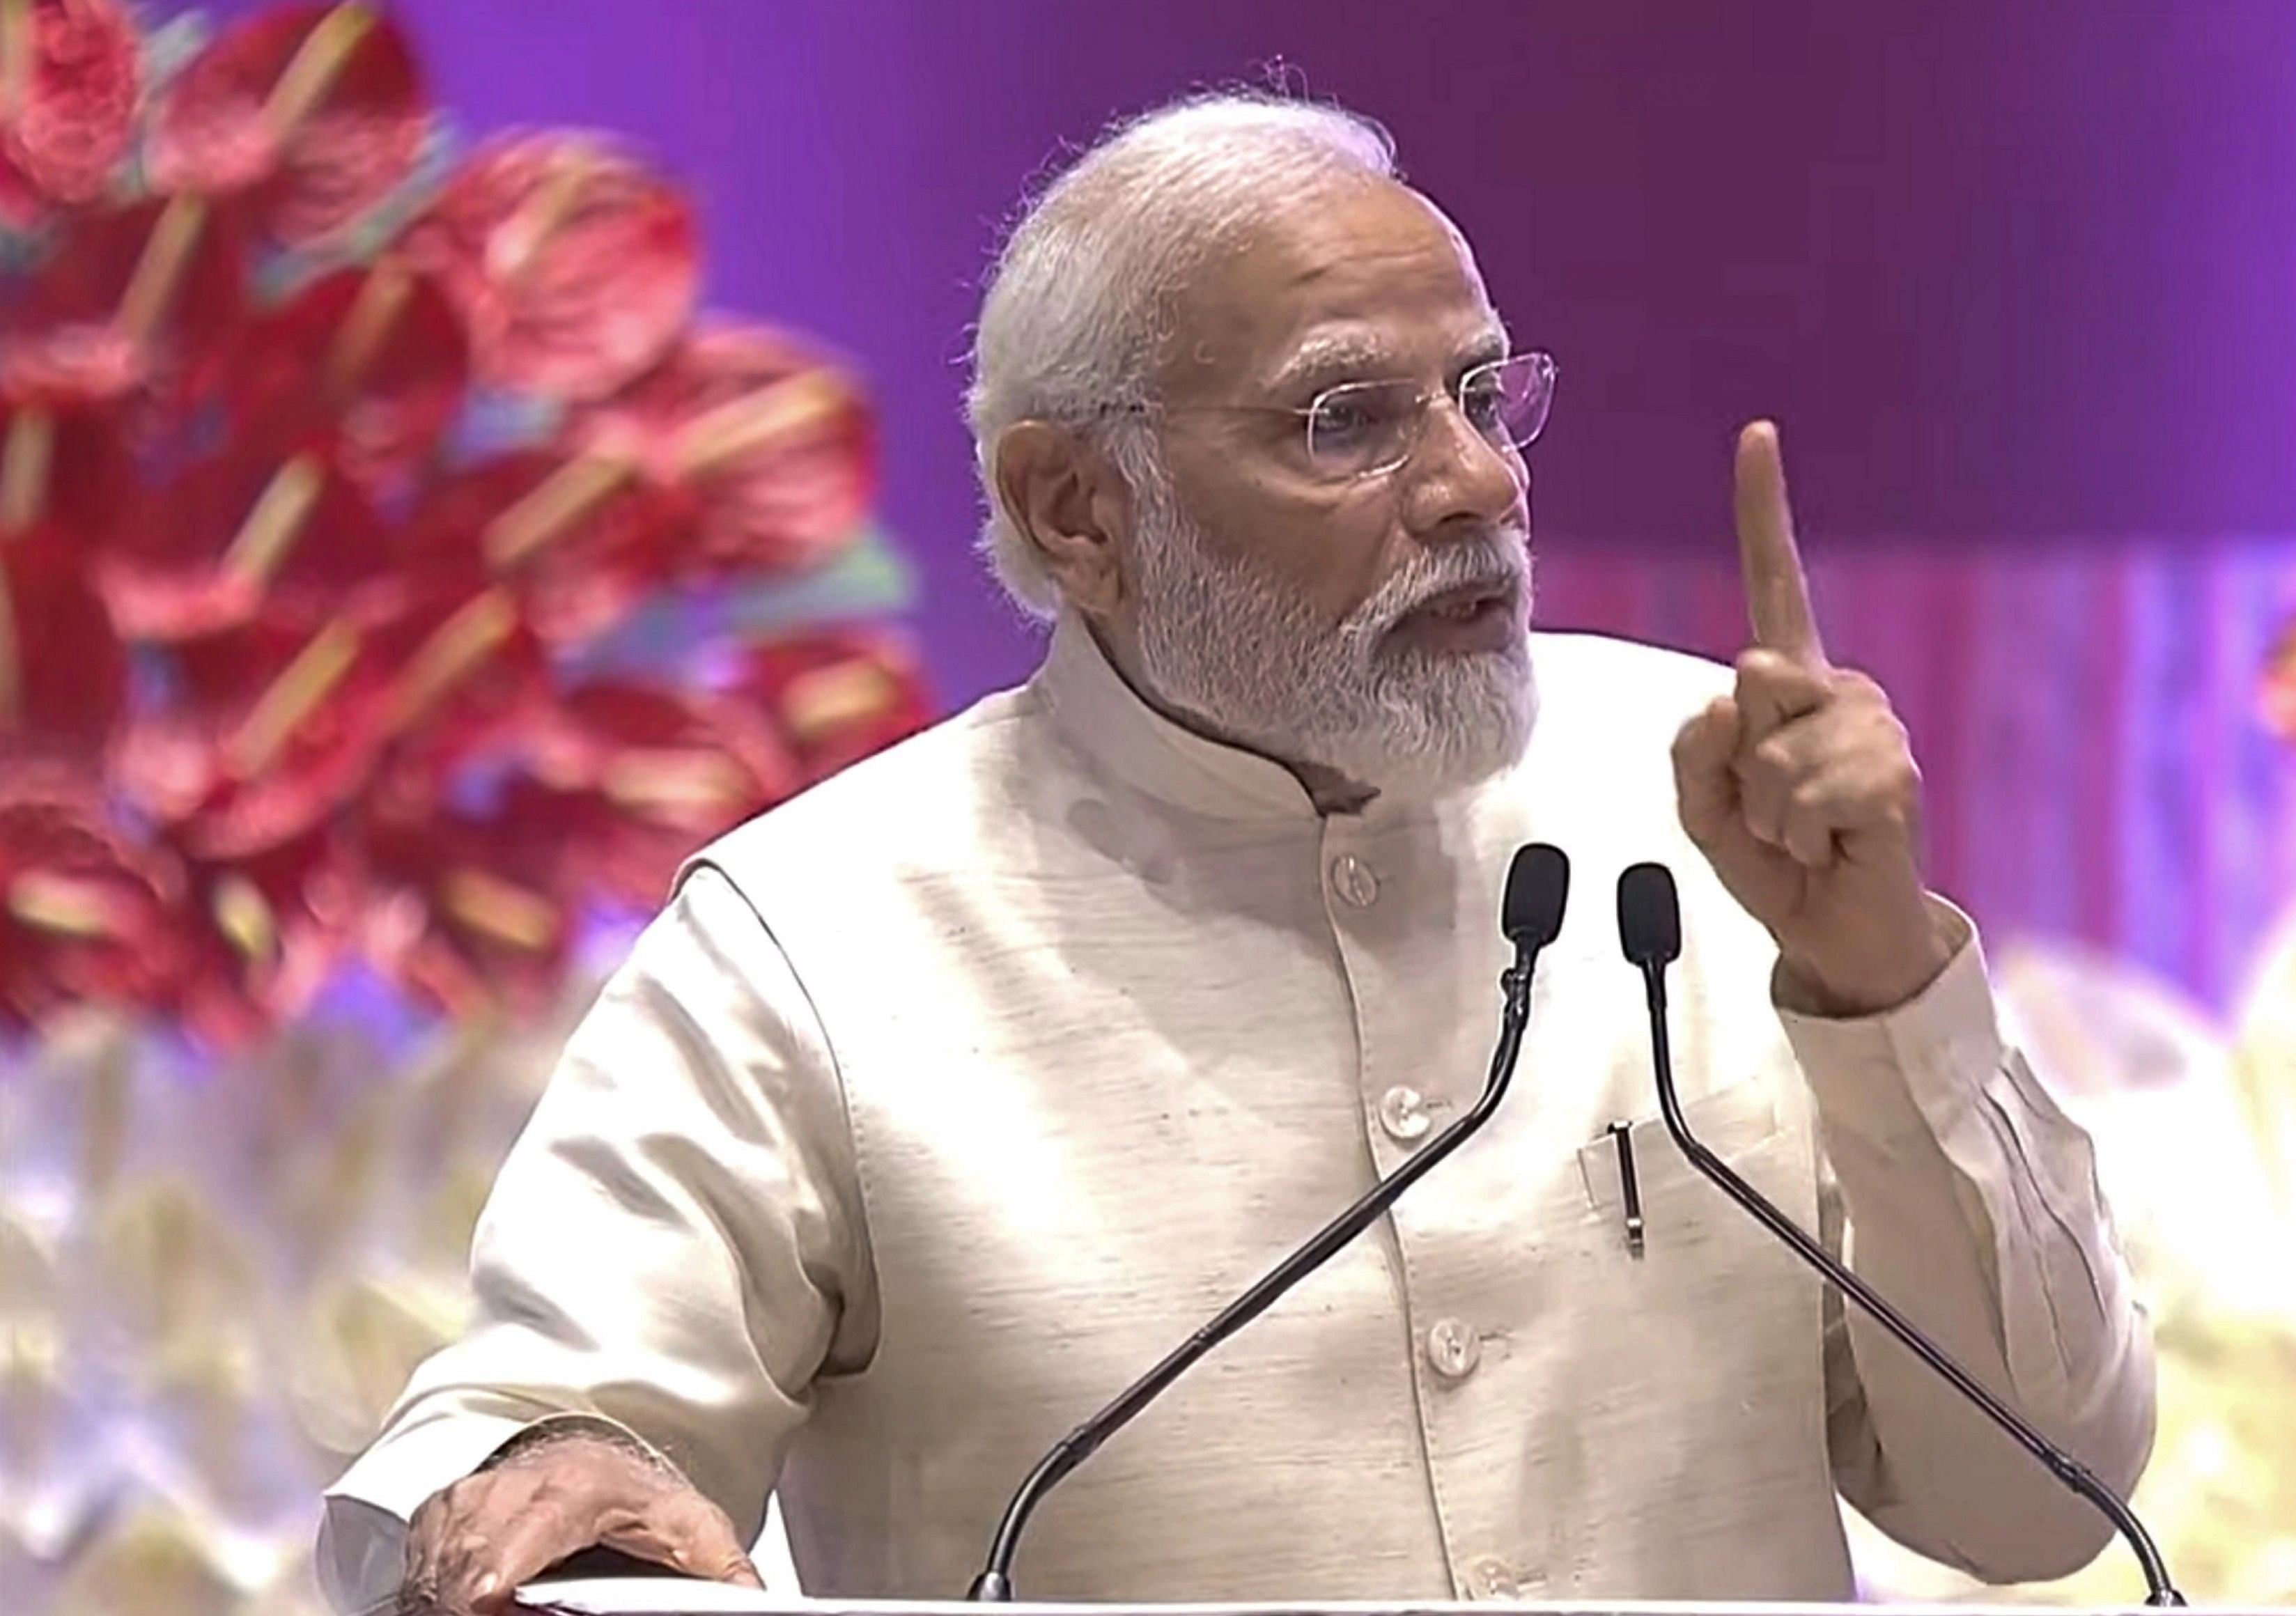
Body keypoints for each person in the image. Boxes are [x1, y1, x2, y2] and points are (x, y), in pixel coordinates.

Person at [320, 92, 2155, 1615]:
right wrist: (536, 1477)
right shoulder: (815, 941)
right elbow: (536, 1445)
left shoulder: (1704, 797)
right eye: (1347, 419)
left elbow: (2034, 1508)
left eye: (1481, 394)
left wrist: (1878, 984)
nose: (1478, 485)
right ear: (1077, 508)